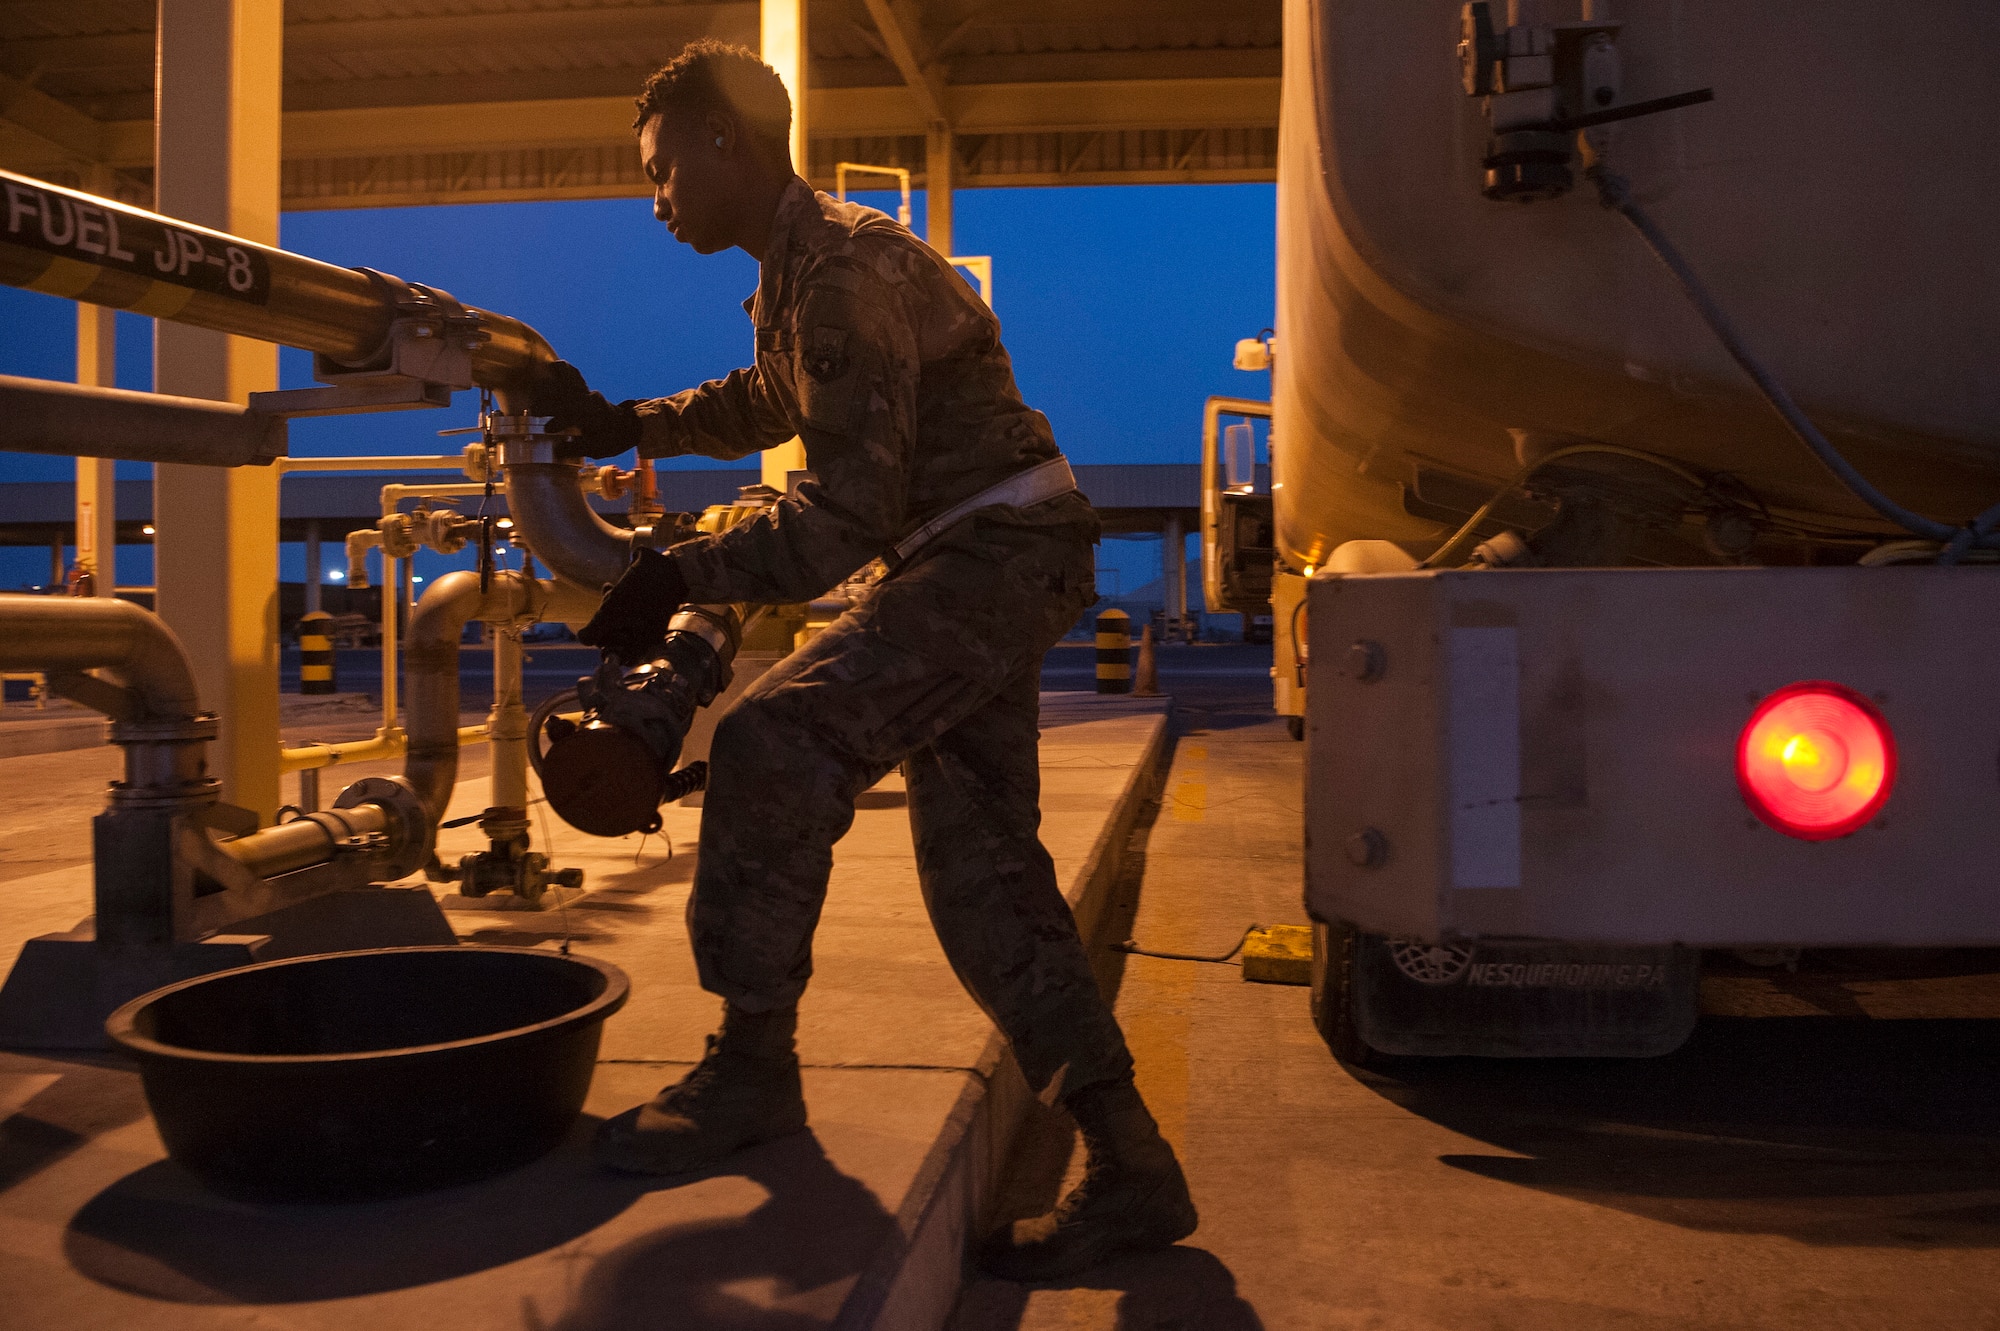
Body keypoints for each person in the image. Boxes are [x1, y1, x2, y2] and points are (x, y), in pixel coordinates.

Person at [530, 40, 1195, 1281]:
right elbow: (767, 399)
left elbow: (839, 517)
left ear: (729, 142)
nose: (656, 196)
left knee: (776, 742)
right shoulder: (801, 270)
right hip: (989, 553)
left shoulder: (838, 268)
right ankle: (1131, 1164)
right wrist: (628, 421)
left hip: (989, 556)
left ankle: (751, 1066)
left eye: (667, 168)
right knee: (981, 870)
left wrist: (677, 572)